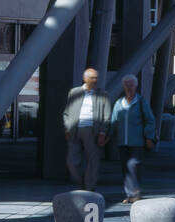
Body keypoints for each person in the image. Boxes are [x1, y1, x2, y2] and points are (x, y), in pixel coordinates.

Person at [63, 67, 112, 192]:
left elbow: (107, 115)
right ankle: (82, 182)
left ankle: (90, 187)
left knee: (93, 160)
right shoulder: (74, 92)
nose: (95, 80)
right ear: (84, 78)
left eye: (96, 78)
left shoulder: (103, 94)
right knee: (71, 161)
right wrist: (67, 128)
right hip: (74, 129)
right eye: (92, 77)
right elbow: (67, 112)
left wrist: (102, 132)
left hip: (92, 130)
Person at [110, 75, 156, 204]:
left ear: (135, 86)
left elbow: (150, 120)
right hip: (122, 141)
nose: (129, 88)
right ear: (123, 87)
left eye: (131, 85)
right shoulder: (119, 103)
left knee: (133, 165)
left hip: (137, 141)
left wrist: (149, 137)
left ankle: (136, 192)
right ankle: (129, 194)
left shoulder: (141, 102)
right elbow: (114, 121)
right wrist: (106, 134)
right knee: (125, 167)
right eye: (126, 85)